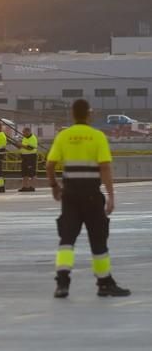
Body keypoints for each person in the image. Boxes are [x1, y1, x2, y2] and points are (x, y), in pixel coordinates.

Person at [46, 99, 130, 298]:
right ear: (89, 114)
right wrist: (110, 196)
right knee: (98, 240)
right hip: (92, 195)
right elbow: (105, 167)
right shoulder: (97, 136)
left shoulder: (63, 136)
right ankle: (104, 283)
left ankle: (62, 283)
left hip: (70, 195)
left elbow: (50, 165)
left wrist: (54, 187)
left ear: (73, 114)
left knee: (67, 239)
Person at [18, 126, 38, 192]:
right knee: (24, 172)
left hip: (31, 157)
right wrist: (19, 146)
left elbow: (30, 148)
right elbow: (23, 146)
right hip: (24, 157)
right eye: (23, 132)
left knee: (32, 172)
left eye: (24, 132)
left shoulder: (33, 138)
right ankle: (25, 186)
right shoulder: (24, 138)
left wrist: (21, 145)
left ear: (28, 132)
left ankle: (32, 186)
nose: (23, 133)